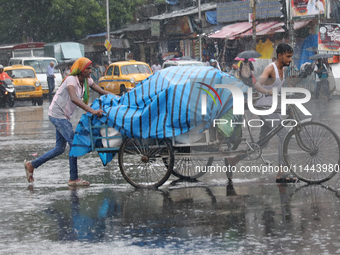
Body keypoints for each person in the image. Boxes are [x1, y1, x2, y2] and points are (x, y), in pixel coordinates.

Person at [24, 57, 113, 186]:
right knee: (73, 143)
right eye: (87, 68)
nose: (90, 70)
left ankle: (32, 165)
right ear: (81, 69)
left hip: (64, 116)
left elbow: (101, 92)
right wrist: (92, 111)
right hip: (57, 114)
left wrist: (117, 97)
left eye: (90, 68)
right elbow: (74, 98)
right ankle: (73, 178)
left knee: (59, 149)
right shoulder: (71, 79)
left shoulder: (88, 80)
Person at [254, 43, 298, 183]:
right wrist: (267, 92)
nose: (290, 59)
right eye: (288, 56)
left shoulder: (282, 69)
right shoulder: (270, 68)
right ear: (280, 56)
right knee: (284, 134)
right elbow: (257, 85)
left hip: (271, 108)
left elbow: (277, 87)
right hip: (263, 107)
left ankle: (234, 159)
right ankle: (281, 173)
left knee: (262, 143)